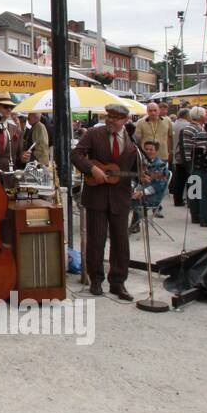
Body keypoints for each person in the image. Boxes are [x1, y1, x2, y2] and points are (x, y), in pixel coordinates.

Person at [72, 102, 139, 299]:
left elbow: (136, 166)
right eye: (109, 116)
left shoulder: (131, 140)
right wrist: (92, 169)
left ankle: (118, 283)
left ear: (125, 121)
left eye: (116, 118)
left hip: (121, 196)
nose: (110, 120)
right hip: (96, 196)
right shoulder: (94, 133)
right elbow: (75, 155)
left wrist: (143, 176)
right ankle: (96, 280)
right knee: (96, 240)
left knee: (121, 242)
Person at [129, 140, 169, 234]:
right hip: (140, 192)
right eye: (146, 149)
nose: (148, 151)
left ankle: (134, 226)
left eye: (151, 149)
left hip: (153, 196)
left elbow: (158, 186)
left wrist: (142, 192)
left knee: (130, 200)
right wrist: (132, 189)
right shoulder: (143, 163)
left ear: (156, 151)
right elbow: (135, 180)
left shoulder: (161, 165)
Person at [169, 107, 192, 207]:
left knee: (178, 179)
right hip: (184, 156)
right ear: (187, 116)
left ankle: (177, 199)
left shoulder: (173, 125)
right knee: (188, 179)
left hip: (175, 155)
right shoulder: (188, 126)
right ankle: (190, 200)